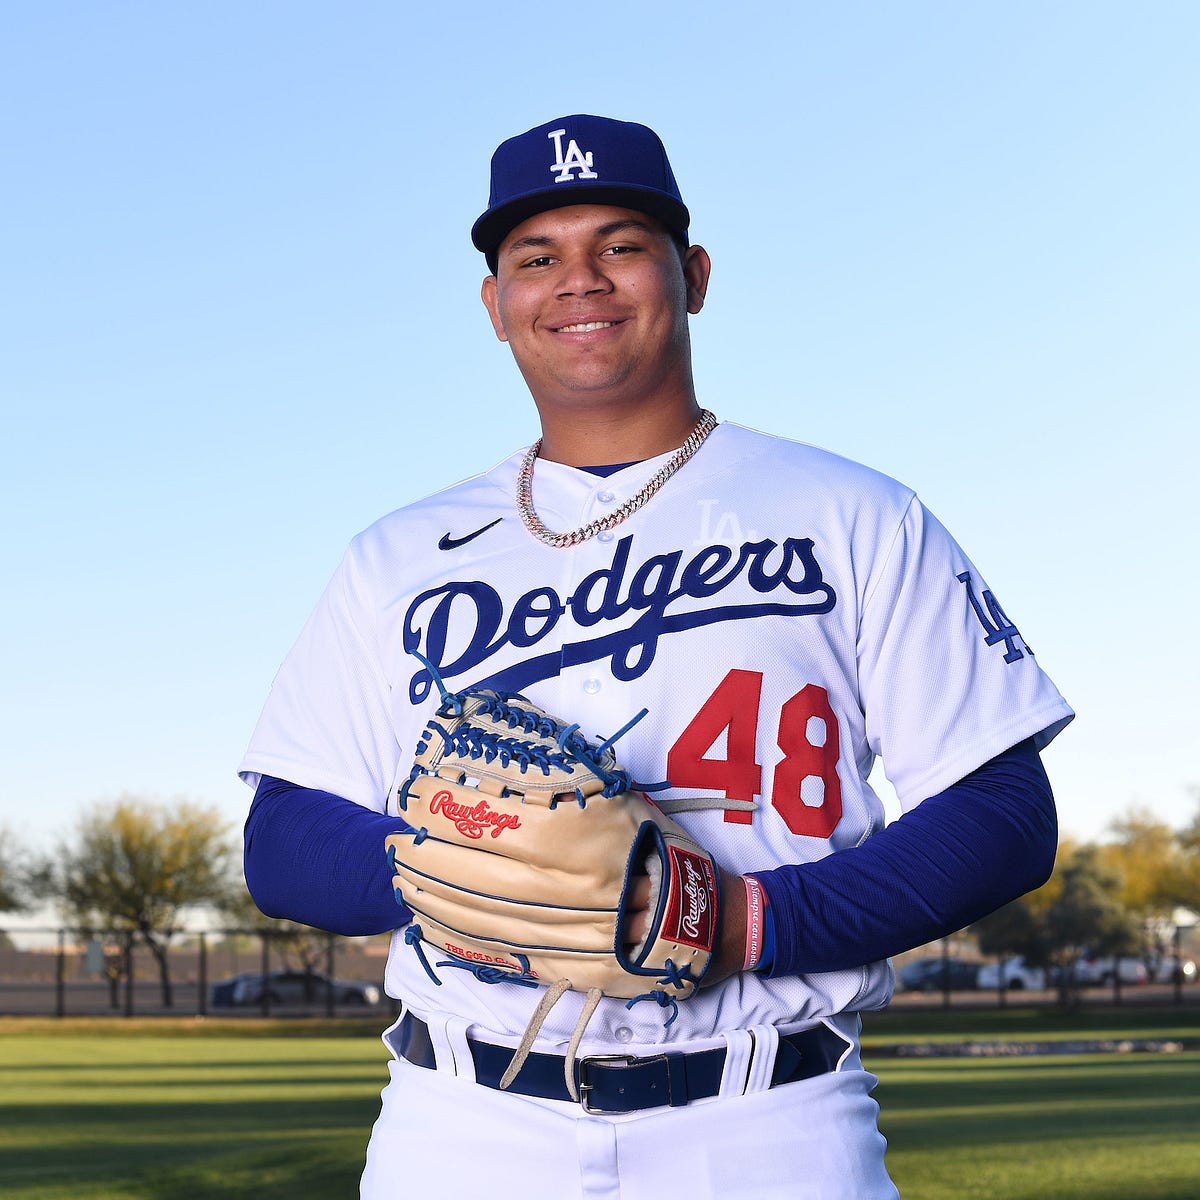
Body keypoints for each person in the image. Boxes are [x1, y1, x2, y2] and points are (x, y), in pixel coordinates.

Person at [239, 114, 1074, 1199]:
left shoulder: (853, 513)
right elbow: (283, 834)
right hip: (462, 1129)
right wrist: (457, 872)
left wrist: (746, 921)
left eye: (621, 245)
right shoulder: (395, 555)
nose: (578, 280)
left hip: (770, 1123)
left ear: (695, 275)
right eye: (536, 258)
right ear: (496, 307)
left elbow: (1004, 813)